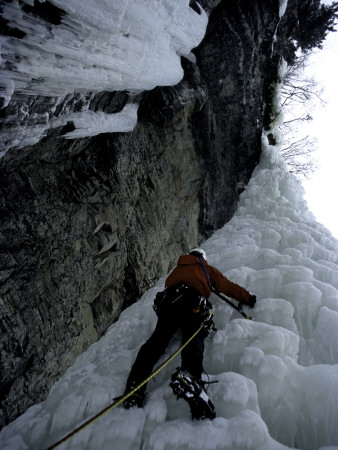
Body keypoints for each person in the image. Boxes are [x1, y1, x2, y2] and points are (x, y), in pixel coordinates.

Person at [123, 248, 256, 419]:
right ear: (202, 257)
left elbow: (169, 285)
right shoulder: (206, 269)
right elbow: (226, 286)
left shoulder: (178, 269)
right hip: (192, 302)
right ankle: (191, 377)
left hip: (168, 303)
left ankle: (135, 387)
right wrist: (248, 298)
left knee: (156, 343)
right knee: (194, 337)